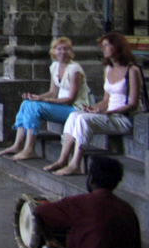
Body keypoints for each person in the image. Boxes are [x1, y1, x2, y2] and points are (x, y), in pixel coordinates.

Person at [45, 32, 143, 176]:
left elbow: (133, 104)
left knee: (83, 120)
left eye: (106, 45)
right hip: (109, 115)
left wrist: (108, 112)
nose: (103, 49)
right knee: (74, 115)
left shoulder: (132, 70)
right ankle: (62, 159)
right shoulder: (108, 69)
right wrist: (93, 108)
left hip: (123, 118)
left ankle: (75, 164)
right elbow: (106, 100)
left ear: (117, 46)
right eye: (102, 46)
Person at [34, 156, 142, 248]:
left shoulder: (78, 202)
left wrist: (49, 239)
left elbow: (38, 212)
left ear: (91, 180)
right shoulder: (127, 209)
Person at [0, 37, 89, 161]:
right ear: (53, 51)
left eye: (66, 49)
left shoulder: (74, 69)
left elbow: (70, 99)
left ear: (71, 51)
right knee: (26, 103)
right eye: (59, 49)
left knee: (33, 107)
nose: (62, 52)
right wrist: (38, 97)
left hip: (74, 108)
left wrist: (45, 101)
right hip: (62, 105)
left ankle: (29, 149)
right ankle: (18, 145)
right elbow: (53, 92)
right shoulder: (55, 66)